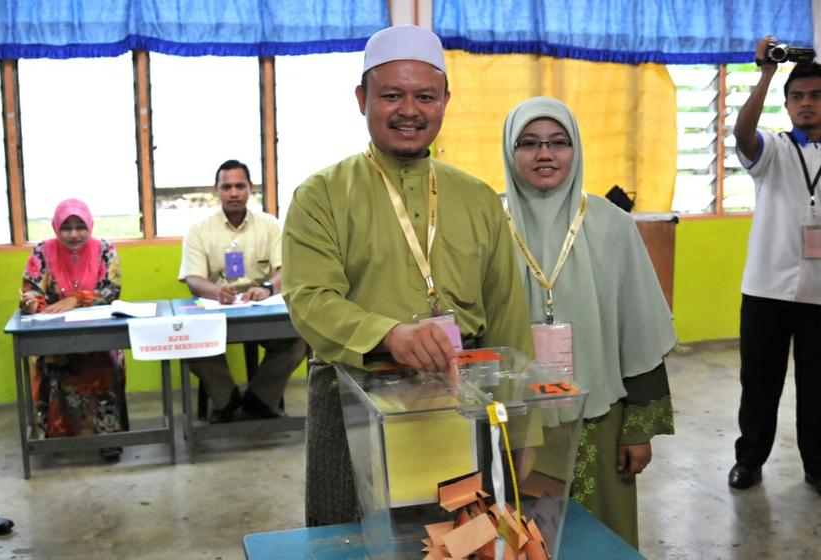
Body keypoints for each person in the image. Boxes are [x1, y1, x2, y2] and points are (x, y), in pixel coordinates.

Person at [282, 25, 534, 527]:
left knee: (464, 539)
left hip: (467, 398)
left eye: (425, 96)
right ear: (362, 99)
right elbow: (309, 299)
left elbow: (507, 313)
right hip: (355, 399)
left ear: (445, 100)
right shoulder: (320, 195)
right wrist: (390, 334)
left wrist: (524, 431)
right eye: (391, 95)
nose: (409, 110)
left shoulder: (478, 197)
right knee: (354, 542)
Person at [501, 97, 677, 548]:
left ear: (575, 149)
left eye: (559, 143)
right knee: (522, 539)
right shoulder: (490, 225)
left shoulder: (611, 225)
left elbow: (638, 331)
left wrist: (637, 429)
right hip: (515, 426)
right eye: (530, 143)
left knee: (601, 542)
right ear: (509, 150)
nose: (546, 154)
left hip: (600, 418)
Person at [728, 37, 821, 496]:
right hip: (766, 290)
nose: (806, 104)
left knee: (818, 389)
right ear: (786, 106)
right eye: (798, 97)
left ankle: (817, 466)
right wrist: (766, 74)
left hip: (820, 295)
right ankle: (749, 461)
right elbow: (741, 135)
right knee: (759, 385)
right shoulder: (773, 150)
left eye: (816, 96)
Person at [178, 159, 306, 423]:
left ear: (250, 188)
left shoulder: (270, 225)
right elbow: (193, 279)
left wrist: (268, 288)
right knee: (187, 341)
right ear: (216, 190)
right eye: (227, 187)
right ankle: (226, 399)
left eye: (239, 186)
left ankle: (260, 398)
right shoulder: (199, 230)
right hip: (217, 310)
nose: (233, 193)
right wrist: (217, 292)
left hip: (262, 307)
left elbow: (288, 269)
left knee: (298, 338)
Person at [20, 198, 128, 460]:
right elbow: (30, 291)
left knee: (102, 360)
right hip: (55, 334)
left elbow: (112, 291)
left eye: (80, 226)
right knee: (54, 361)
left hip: (99, 333)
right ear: (56, 228)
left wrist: (77, 299)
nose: (74, 234)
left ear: (90, 226)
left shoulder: (104, 250)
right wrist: (34, 304)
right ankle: (58, 438)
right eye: (66, 228)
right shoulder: (42, 252)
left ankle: (108, 437)